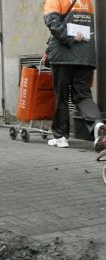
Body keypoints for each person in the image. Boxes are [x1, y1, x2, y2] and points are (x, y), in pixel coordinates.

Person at [44, 0, 106, 150]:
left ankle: (61, 137)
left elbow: (53, 23)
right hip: (85, 56)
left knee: (62, 96)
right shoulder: (87, 2)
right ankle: (97, 124)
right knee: (83, 95)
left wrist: (69, 39)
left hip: (63, 56)